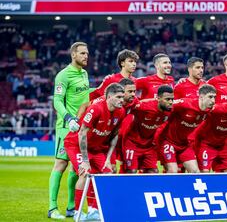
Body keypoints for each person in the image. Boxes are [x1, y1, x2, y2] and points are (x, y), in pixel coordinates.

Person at [64, 83, 126, 220]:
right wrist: (85, 161)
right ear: (109, 97)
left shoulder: (121, 112)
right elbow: (82, 134)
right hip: (76, 144)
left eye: (123, 96)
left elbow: (115, 135)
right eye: (119, 97)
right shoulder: (96, 109)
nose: (122, 100)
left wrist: (109, 159)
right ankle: (77, 213)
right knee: (85, 173)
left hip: (97, 148)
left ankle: (94, 210)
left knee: (107, 175)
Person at [48, 42, 90, 219]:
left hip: (81, 128)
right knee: (61, 164)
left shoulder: (85, 73)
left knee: (77, 166)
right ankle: (52, 208)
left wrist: (104, 89)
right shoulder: (63, 75)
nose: (86, 56)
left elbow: (85, 96)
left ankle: (72, 207)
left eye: (87, 53)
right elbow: (57, 100)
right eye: (82, 53)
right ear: (73, 55)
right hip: (66, 128)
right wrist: (68, 118)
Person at [160, 84, 216, 173]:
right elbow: (163, 105)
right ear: (201, 97)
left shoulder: (210, 111)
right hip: (168, 141)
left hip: (184, 144)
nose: (213, 100)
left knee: (195, 172)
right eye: (210, 97)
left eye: (214, 97)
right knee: (173, 170)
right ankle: (165, 187)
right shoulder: (185, 104)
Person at [123, 85, 174, 173]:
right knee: (131, 172)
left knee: (153, 171)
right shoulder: (144, 106)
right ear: (158, 98)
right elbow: (124, 109)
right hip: (133, 143)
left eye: (172, 99)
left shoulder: (170, 110)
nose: (170, 102)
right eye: (167, 99)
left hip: (149, 146)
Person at [194, 88, 227, 173]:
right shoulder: (218, 110)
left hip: (222, 146)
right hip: (206, 145)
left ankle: (221, 186)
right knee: (204, 172)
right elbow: (200, 110)